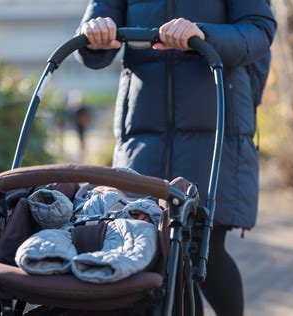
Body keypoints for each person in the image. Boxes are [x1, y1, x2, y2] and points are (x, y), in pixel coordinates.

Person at [75, 1, 276, 315]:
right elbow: (94, 37)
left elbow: (259, 30)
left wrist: (203, 34)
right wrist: (94, 32)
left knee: (200, 245)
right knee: (141, 243)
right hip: (143, 129)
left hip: (213, 125)